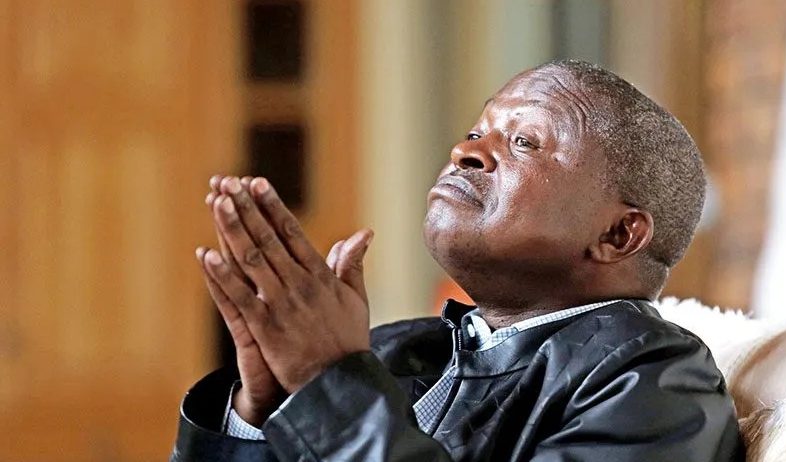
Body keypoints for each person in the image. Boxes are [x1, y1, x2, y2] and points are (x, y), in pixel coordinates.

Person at [171, 60, 744, 461]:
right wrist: (262, 413)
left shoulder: (653, 378)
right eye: (476, 131)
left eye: (524, 142)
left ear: (617, 234)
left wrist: (330, 385)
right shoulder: (395, 349)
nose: (465, 151)